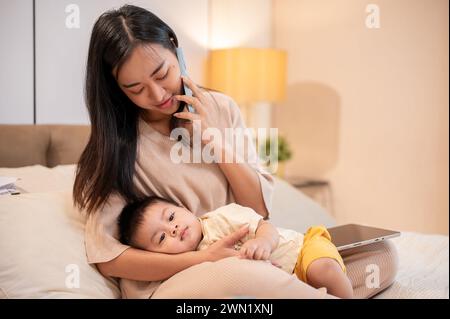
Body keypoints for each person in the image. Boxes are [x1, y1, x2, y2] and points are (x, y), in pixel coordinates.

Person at [73, 4, 398, 299]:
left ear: (176, 50)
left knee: (381, 255)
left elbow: (257, 208)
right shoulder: (114, 149)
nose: (158, 94)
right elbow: (110, 260)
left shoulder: (221, 107)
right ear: (117, 89)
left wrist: (215, 140)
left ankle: (290, 288)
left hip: (250, 253)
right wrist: (205, 258)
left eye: (163, 74)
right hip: (183, 278)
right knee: (241, 276)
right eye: (136, 89)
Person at [118, 196, 354, 298]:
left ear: (184, 208)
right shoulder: (191, 267)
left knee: (322, 270)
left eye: (170, 217)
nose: (173, 229)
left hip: (304, 248)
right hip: (290, 278)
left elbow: (265, 226)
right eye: (161, 239)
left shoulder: (222, 217)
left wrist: (262, 241)